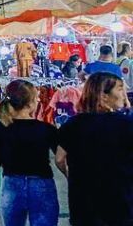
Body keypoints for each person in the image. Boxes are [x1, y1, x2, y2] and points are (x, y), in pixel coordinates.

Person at [56, 72, 133, 226]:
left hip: (83, 202)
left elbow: (59, 159)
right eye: (119, 89)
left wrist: (70, 175)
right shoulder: (127, 124)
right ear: (103, 96)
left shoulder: (72, 124)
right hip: (120, 199)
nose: (124, 94)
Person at [0, 79, 60, 226]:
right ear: (30, 103)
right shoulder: (46, 129)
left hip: (11, 185)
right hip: (42, 185)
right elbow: (61, 158)